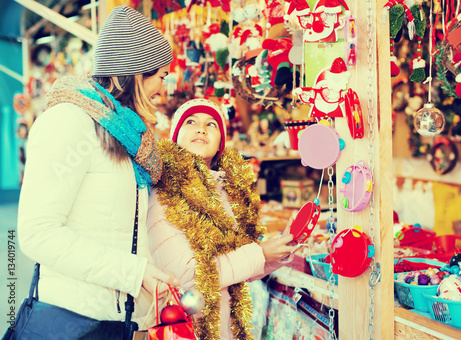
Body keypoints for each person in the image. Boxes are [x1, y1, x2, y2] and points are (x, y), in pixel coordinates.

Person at [17, 5, 179, 338]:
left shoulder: (131, 136)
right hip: (73, 318)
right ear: (136, 72)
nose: (165, 89)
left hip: (118, 319)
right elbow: (38, 232)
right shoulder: (69, 123)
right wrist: (133, 273)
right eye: (161, 76)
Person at [147, 98, 295, 340]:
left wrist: (276, 252)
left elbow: (239, 266)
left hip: (226, 327)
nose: (201, 128)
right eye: (191, 122)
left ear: (220, 145)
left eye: (212, 124)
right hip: (187, 328)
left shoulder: (227, 192)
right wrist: (261, 254)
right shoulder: (163, 192)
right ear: (175, 138)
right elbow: (186, 275)